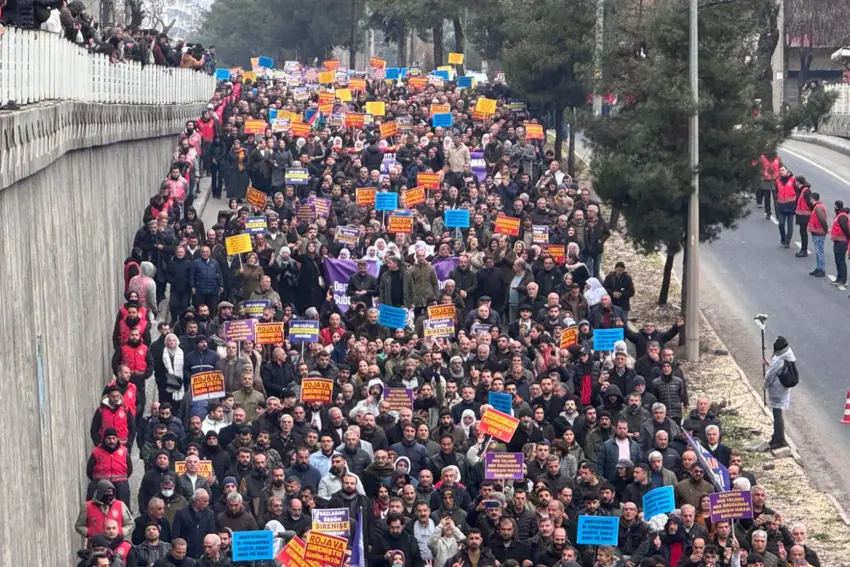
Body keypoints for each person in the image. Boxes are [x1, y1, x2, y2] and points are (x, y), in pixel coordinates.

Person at [763, 336, 795, 449]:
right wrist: (768, 363)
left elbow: (771, 374)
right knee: (777, 412)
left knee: (777, 415)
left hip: (777, 390)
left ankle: (779, 439)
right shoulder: (788, 355)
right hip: (783, 389)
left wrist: (764, 385)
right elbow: (777, 369)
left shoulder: (779, 358)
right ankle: (776, 436)